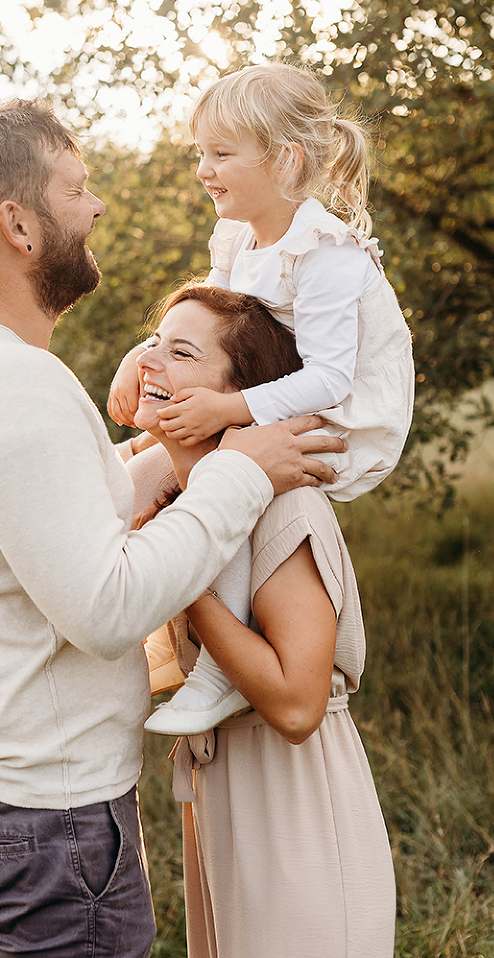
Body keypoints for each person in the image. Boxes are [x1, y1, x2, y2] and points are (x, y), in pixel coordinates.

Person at [0, 96, 347, 958]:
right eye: (78, 189)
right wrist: (241, 473)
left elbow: (49, 513)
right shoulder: (19, 384)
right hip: (44, 817)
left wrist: (171, 463)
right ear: (18, 225)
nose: (97, 207)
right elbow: (104, 610)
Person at [108, 62, 414, 735]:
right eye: (201, 153)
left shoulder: (326, 254)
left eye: (220, 154)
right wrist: (142, 358)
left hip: (339, 415)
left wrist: (226, 411)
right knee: (147, 460)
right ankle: (109, 597)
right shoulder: (242, 240)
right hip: (271, 392)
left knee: (227, 474)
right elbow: (205, 320)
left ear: (283, 160)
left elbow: (332, 378)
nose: (202, 170)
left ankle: (222, 672)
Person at [128, 281, 396, 958]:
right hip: (221, 797)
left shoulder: (281, 507)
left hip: (294, 802)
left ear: (242, 393)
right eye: (152, 342)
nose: (149, 361)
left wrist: (183, 581)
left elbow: (299, 705)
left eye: (181, 352)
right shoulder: (188, 492)